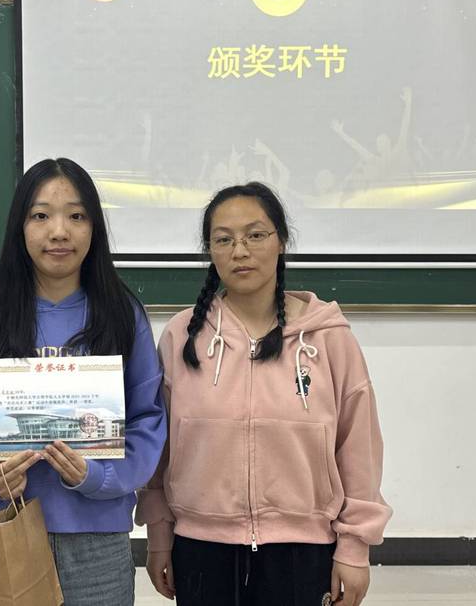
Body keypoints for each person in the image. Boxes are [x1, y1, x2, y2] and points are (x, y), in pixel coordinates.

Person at [136, 182, 392, 606]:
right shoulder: (182, 336)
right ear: (210, 250)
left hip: (304, 550)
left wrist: (354, 547)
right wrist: (159, 536)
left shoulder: (329, 338)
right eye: (224, 239)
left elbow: (358, 447)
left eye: (255, 235)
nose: (240, 251)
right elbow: (159, 451)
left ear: (281, 241)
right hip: (200, 546)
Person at [0, 158, 166, 606]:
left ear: (94, 228)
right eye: (41, 215)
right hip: (6, 528)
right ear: (20, 228)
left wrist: (98, 476)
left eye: (76, 216)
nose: (59, 231)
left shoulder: (124, 317)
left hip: (98, 542)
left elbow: (147, 421)